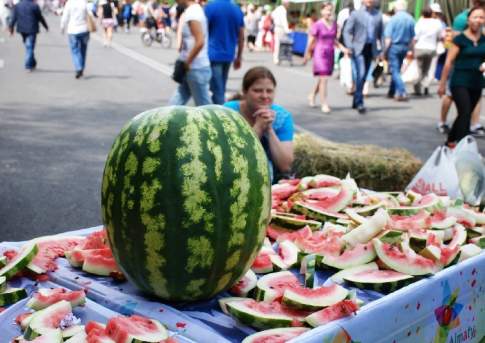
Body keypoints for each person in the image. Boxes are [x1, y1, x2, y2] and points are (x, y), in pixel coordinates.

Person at [224, 67, 294, 183]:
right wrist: (258, 127)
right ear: (245, 91)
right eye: (257, 91)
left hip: (272, 182)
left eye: (269, 91)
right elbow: (235, 159)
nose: (265, 96)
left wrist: (270, 129)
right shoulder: (228, 112)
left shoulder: (283, 117)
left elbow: (285, 165)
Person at [438, 6, 485, 147]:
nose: (478, 20)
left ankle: (449, 142)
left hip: (476, 82)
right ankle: (463, 145)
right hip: (459, 81)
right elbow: (448, 62)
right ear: (469, 19)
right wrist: (442, 84)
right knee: (465, 112)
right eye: (475, 17)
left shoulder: (484, 40)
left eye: (481, 17)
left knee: (466, 114)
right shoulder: (460, 39)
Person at [304, 2, 348, 113]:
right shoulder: (317, 24)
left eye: (330, 10)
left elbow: (334, 40)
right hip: (320, 53)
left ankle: (312, 94)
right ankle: (324, 103)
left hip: (330, 53)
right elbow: (311, 40)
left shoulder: (334, 24)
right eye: (327, 10)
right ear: (322, 11)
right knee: (324, 79)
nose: (329, 12)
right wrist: (307, 53)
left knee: (322, 78)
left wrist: (343, 48)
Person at [343, 0, 383, 114]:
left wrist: (382, 51)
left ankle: (356, 99)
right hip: (358, 48)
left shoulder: (378, 15)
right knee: (360, 73)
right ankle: (360, 102)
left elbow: (381, 34)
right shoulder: (356, 14)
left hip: (371, 48)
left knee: (364, 75)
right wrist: (349, 46)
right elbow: (347, 31)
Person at [168, 0, 211, 106]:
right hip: (193, 67)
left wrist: (188, 62)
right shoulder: (192, 11)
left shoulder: (193, 14)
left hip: (196, 67)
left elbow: (200, 41)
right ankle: (166, 120)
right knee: (177, 100)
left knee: (206, 109)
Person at [204, 0, 244, 105]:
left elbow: (202, 31)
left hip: (213, 54)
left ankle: (221, 115)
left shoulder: (210, 7)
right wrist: (239, 57)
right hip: (228, 55)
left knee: (217, 90)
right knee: (221, 86)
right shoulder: (237, 9)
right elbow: (241, 36)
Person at [383, 0, 414, 101]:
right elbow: (413, 37)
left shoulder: (393, 19)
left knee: (395, 70)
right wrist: (411, 49)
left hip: (394, 47)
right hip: (405, 46)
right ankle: (391, 91)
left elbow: (388, 38)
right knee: (397, 69)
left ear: (396, 8)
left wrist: (385, 51)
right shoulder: (410, 19)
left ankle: (402, 91)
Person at [8, 0, 48, 72]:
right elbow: (40, 17)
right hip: (32, 29)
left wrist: (11, 29)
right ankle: (29, 64)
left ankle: (30, 63)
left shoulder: (18, 6)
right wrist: (45, 26)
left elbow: (13, 18)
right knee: (29, 47)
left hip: (22, 29)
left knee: (29, 46)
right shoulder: (34, 5)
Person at [412, 6, 442, 96]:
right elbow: (439, 36)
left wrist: (412, 48)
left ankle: (417, 86)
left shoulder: (419, 23)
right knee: (427, 68)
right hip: (431, 48)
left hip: (420, 47)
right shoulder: (437, 23)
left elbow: (415, 36)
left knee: (420, 68)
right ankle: (425, 85)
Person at [60, 0, 91, 79]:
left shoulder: (69, 3)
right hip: (84, 29)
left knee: (75, 50)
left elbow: (65, 16)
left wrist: (62, 28)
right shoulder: (84, 2)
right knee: (83, 50)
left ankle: (78, 68)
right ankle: (81, 68)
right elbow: (90, 14)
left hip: (72, 30)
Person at [271, 0, 290, 65]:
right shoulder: (283, 10)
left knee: (277, 44)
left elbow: (272, 15)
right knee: (279, 44)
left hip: (277, 27)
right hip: (280, 28)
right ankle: (277, 58)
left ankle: (276, 58)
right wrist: (287, 30)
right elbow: (284, 21)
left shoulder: (278, 8)